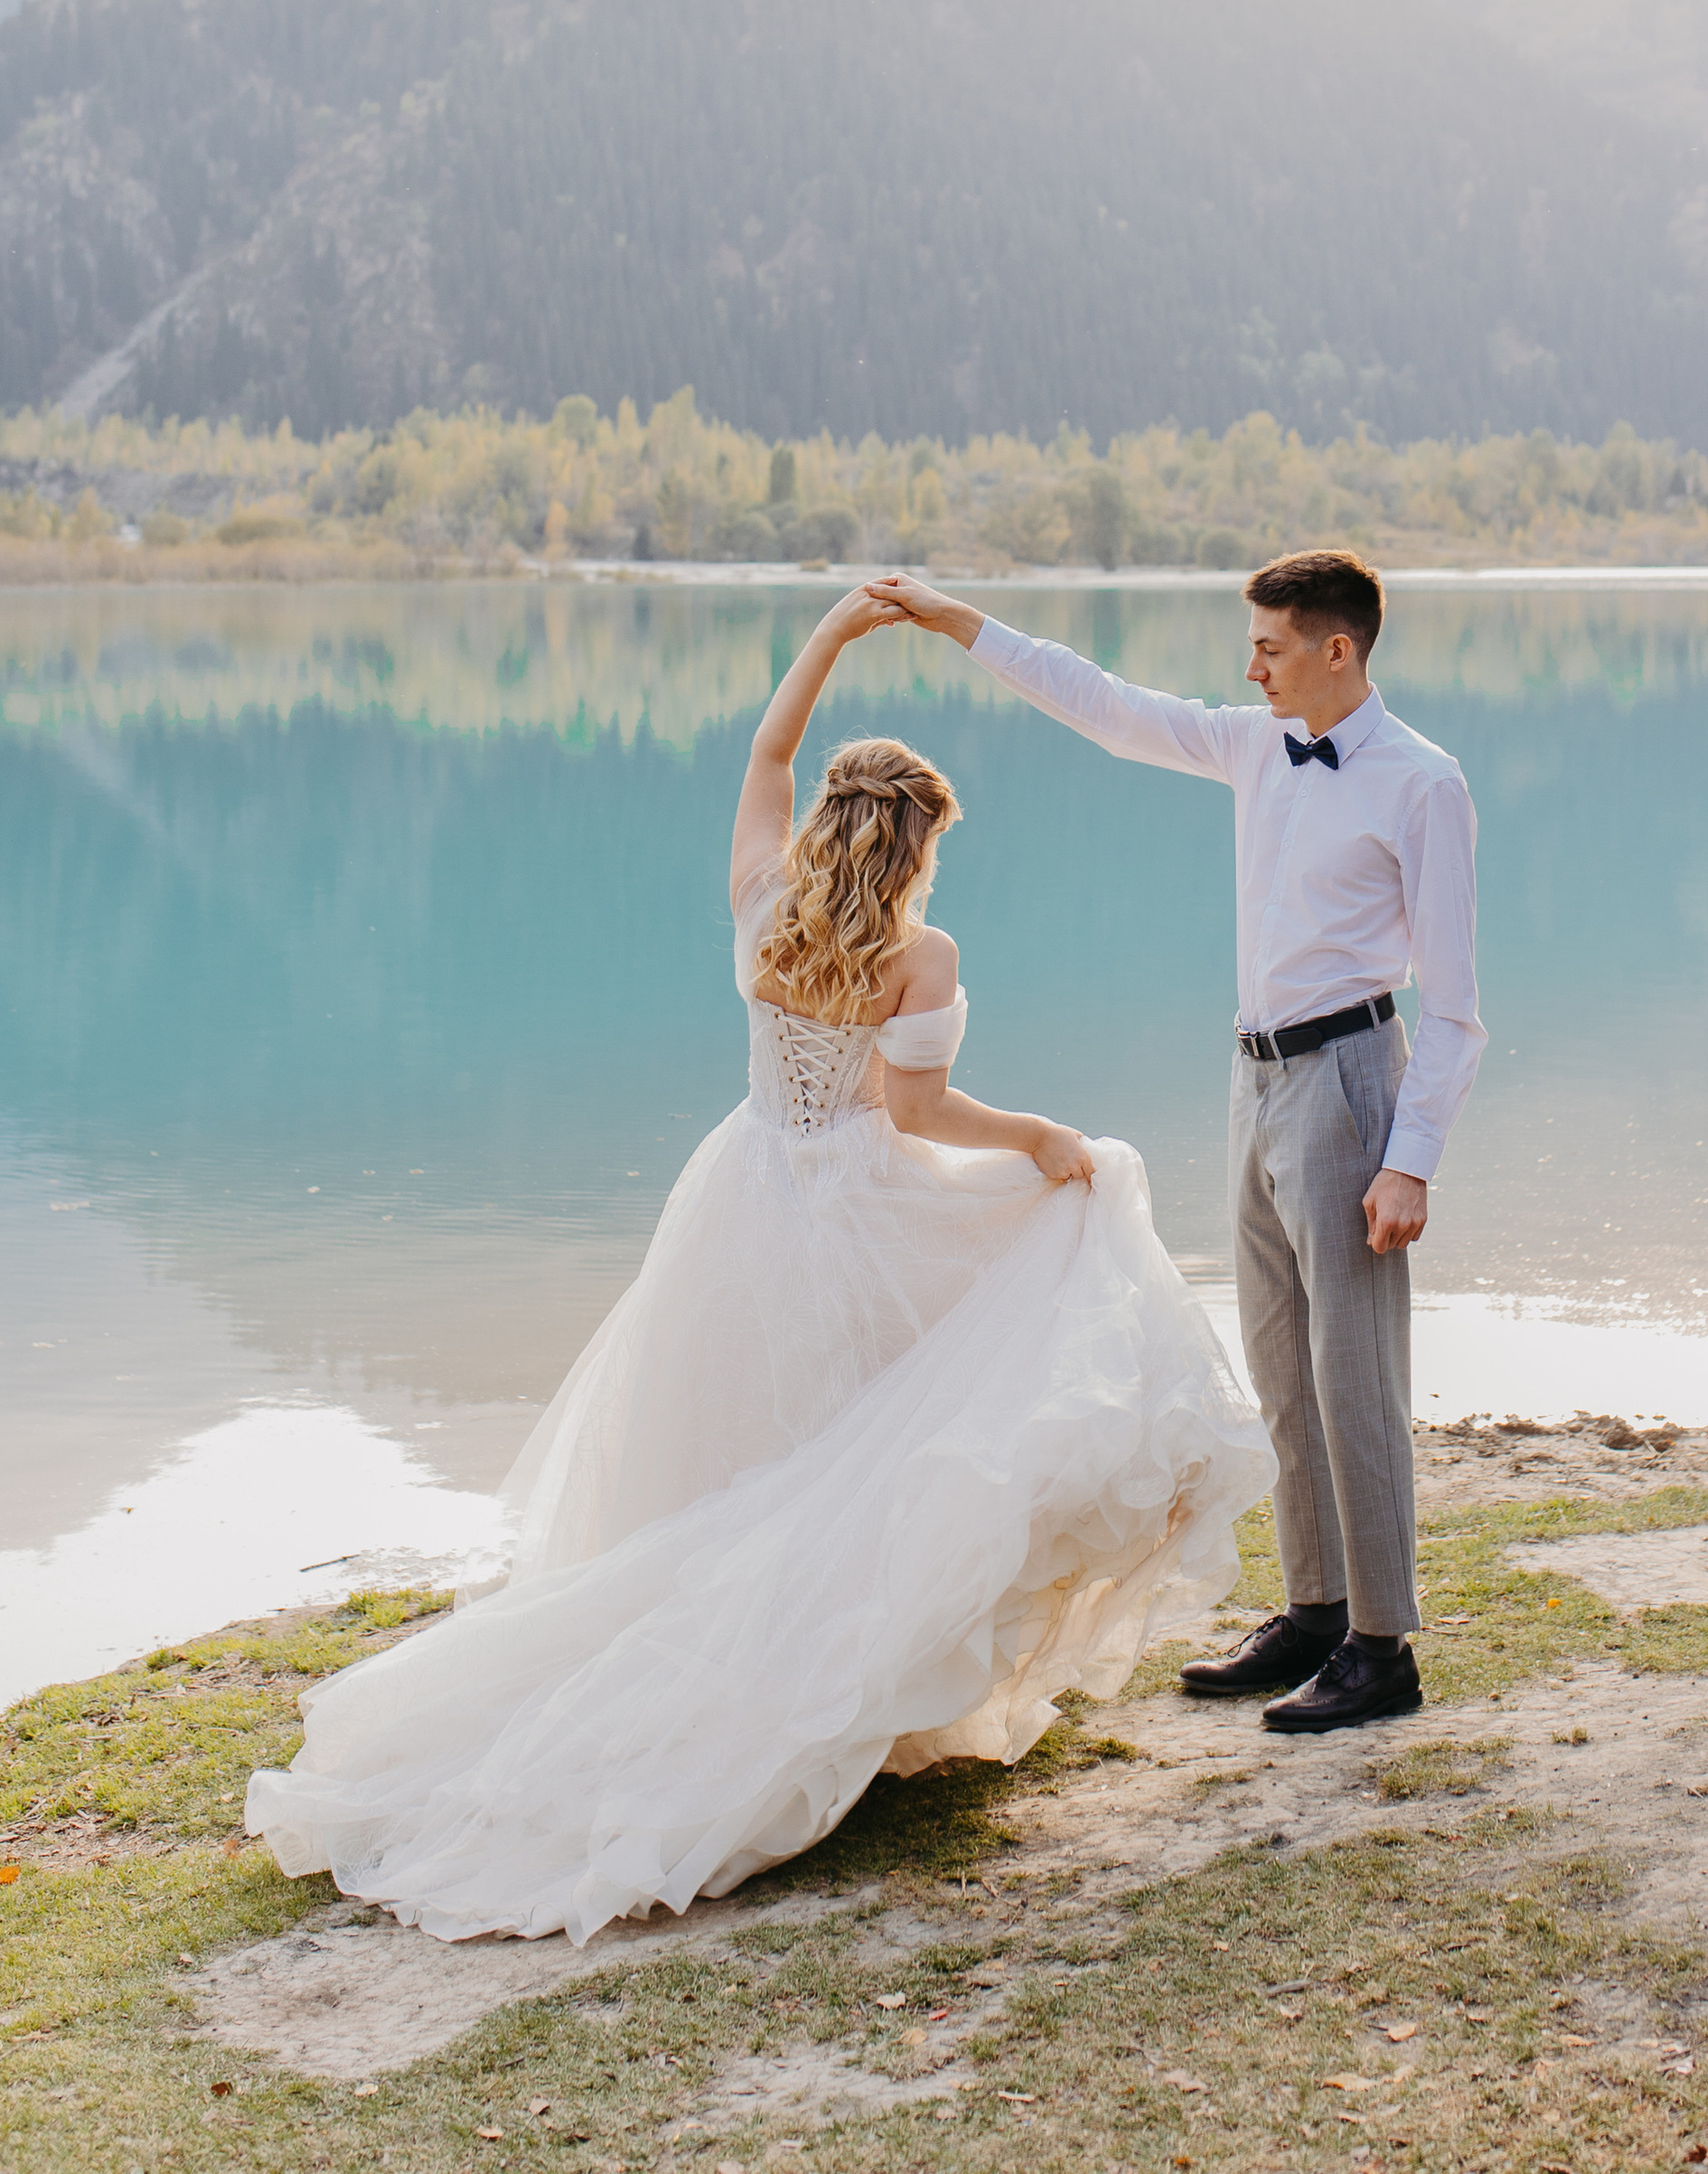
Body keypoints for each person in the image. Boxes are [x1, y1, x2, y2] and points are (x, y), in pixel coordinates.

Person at [244, 587, 1269, 1941]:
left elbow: (766, 756)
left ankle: (804, 1698)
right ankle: (839, 1703)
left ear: (833, 819)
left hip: (738, 1198)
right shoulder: (920, 953)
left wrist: (836, 637)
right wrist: (1041, 1139)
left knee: (741, 1462)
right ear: (914, 843)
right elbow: (916, 1119)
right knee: (870, 1440)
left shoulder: (762, 903)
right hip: (851, 1207)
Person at [873, 551, 1481, 1733]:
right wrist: (960, 626)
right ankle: (1314, 1612)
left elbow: (1454, 1005)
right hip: (1255, 1080)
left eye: (1270, 645)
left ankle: (1382, 1647)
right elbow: (1107, 708)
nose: (1248, 665)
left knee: (1356, 1372)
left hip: (1354, 1076)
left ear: (1336, 650)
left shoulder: (1423, 783)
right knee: (1280, 1364)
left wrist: (1413, 1158)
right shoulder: (1256, 745)